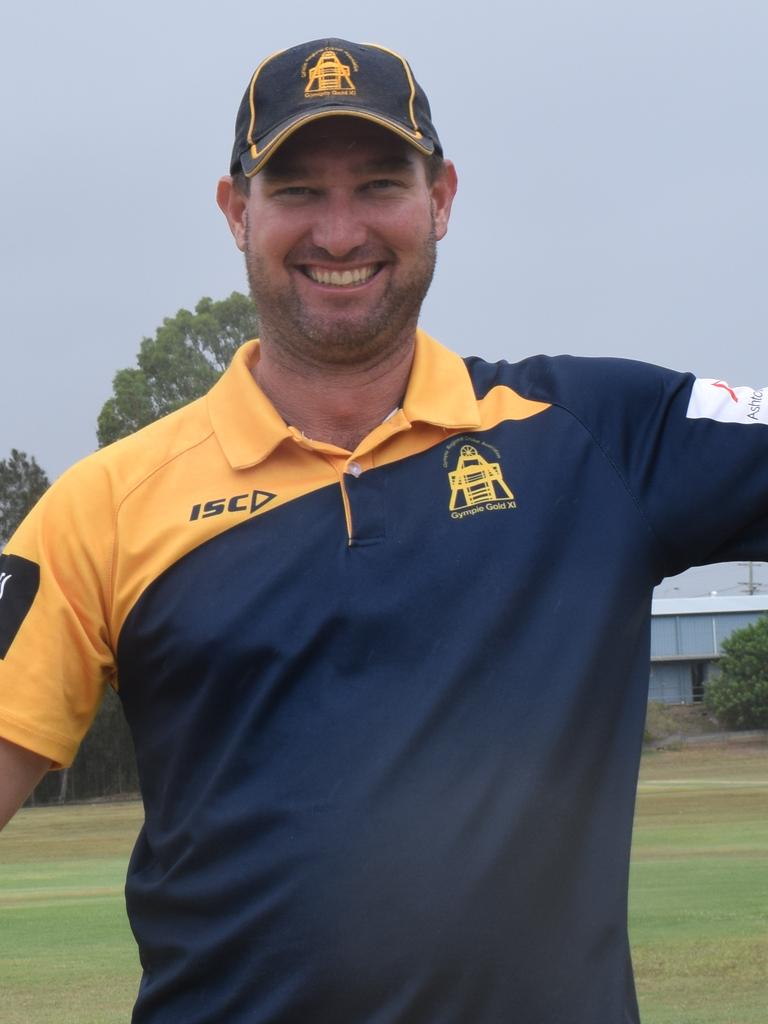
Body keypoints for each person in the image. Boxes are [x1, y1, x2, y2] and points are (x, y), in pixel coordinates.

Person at [0, 36, 766, 1024]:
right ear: (238, 211)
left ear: (441, 197)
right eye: (297, 192)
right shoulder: (106, 504)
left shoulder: (594, 437)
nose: (341, 229)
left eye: (378, 183)